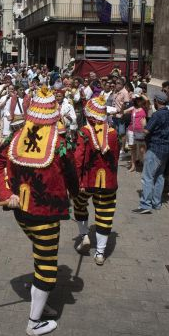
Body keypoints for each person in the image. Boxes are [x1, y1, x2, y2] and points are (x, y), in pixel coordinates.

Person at [0, 86, 78, 336]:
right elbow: (72, 175)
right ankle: (33, 322)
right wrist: (76, 193)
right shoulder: (61, 143)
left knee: (40, 255)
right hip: (46, 215)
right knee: (47, 268)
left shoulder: (15, 138)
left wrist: (6, 195)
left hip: (21, 212)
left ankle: (40, 299)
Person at [72, 96, 119, 265]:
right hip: (108, 183)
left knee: (78, 204)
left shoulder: (84, 132)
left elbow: (78, 159)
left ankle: (84, 235)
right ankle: (100, 253)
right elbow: (116, 157)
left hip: (87, 182)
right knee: (105, 215)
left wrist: (75, 181)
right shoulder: (113, 133)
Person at [133, 92, 169, 214]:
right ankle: (157, 203)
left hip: (156, 148)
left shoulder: (157, 115)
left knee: (148, 176)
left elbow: (146, 131)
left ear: (157, 101)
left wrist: (143, 125)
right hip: (167, 149)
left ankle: (145, 204)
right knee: (160, 176)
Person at [125, 95, 147, 172]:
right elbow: (124, 111)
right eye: (136, 100)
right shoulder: (133, 108)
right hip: (131, 131)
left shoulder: (144, 108)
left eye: (139, 100)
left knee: (142, 149)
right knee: (133, 149)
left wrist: (141, 95)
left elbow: (147, 101)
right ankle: (133, 165)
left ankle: (145, 166)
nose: (137, 101)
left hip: (140, 131)